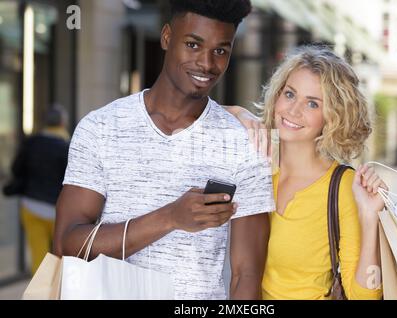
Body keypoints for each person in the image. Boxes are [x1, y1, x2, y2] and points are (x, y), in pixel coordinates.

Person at [54, 0, 275, 300]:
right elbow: (67, 245)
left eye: (220, 51)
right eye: (193, 45)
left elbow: (245, 275)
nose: (207, 64)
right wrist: (170, 217)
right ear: (167, 37)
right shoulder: (101, 127)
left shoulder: (244, 143)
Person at [225, 45, 386, 299]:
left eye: (312, 103)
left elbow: (364, 296)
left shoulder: (342, 186)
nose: (293, 110)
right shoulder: (258, 160)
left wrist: (369, 219)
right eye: (290, 94)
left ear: (333, 117)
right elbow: (195, 117)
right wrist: (240, 114)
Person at [4, 106, 70, 275]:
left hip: (31, 206)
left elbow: (16, 169)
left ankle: (41, 292)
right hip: (58, 211)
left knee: (38, 255)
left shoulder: (31, 143)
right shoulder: (67, 146)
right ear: (63, 123)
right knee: (61, 255)